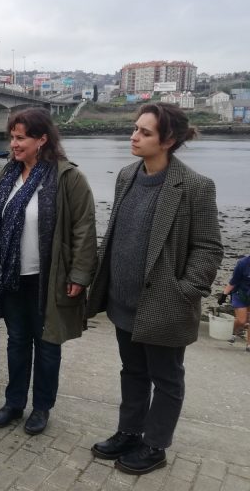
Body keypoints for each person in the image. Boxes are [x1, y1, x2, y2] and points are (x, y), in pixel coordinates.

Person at [87, 102, 223, 475]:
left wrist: (186, 290)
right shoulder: (127, 175)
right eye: (135, 128)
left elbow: (209, 247)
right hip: (122, 300)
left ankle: (155, 445)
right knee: (131, 372)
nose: (134, 136)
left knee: (166, 379)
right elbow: (117, 234)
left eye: (145, 132)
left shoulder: (194, 186)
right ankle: (130, 431)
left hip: (165, 304)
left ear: (169, 140)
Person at [0, 107, 97, 436]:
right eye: (12, 137)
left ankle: (41, 408)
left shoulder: (67, 178)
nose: (14, 144)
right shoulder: (7, 176)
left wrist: (79, 276)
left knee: (47, 344)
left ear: (42, 139)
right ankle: (14, 403)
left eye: (21, 137)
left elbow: (84, 229)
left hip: (49, 278)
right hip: (11, 277)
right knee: (16, 341)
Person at [219, 256, 250, 350]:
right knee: (242, 320)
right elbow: (233, 281)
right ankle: (233, 330)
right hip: (240, 294)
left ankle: (249, 345)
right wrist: (224, 295)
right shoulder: (243, 263)